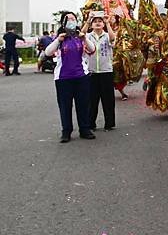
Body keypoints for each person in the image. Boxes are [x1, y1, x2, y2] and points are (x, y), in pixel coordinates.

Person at [45, 12, 96, 143]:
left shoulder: (80, 36)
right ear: (63, 22)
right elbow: (48, 52)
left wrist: (84, 38)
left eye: (73, 19)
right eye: (69, 19)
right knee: (65, 106)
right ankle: (66, 131)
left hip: (81, 77)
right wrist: (58, 40)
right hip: (63, 78)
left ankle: (85, 129)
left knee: (83, 105)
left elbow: (92, 49)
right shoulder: (60, 38)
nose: (72, 21)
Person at [82, 12, 116, 131]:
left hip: (106, 71)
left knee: (108, 99)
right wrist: (88, 19)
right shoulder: (88, 36)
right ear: (91, 25)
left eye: (100, 21)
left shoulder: (107, 35)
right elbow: (81, 34)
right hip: (91, 72)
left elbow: (113, 39)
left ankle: (109, 123)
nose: (97, 23)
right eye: (95, 21)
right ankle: (91, 124)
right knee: (92, 100)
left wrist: (107, 23)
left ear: (103, 24)